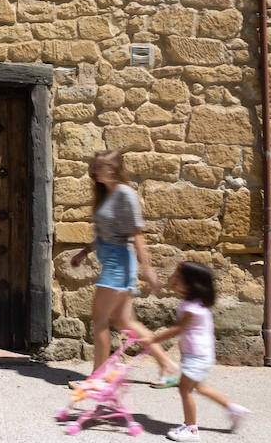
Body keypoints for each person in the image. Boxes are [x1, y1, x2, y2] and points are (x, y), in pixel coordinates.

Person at [70, 149, 179, 387]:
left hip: (119, 263)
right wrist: (85, 252)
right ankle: (168, 366)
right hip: (113, 260)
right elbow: (106, 234)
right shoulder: (107, 195)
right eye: (95, 166)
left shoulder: (124, 194)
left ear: (114, 168)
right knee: (124, 322)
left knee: (99, 320)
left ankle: (98, 378)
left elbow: (136, 233)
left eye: (99, 166)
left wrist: (147, 267)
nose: (94, 171)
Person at [139, 262, 249, 441]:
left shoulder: (192, 308)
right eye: (174, 274)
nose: (172, 279)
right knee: (199, 387)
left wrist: (152, 340)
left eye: (178, 277)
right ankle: (234, 409)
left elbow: (178, 329)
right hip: (200, 354)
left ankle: (191, 429)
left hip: (197, 356)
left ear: (192, 285)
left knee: (185, 390)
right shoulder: (194, 302)